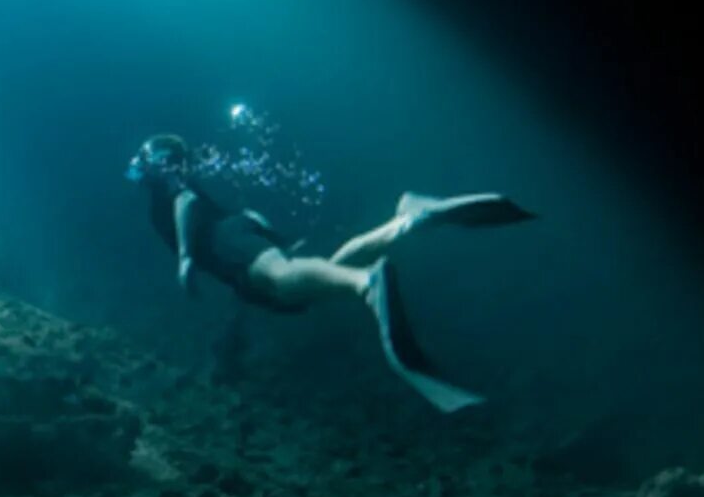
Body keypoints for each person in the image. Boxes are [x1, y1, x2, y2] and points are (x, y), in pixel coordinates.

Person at [125, 133, 534, 412]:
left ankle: (366, 284)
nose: (137, 165)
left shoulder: (172, 189)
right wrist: (267, 234)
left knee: (288, 280)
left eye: (144, 159)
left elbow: (186, 204)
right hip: (237, 237)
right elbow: (245, 213)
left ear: (161, 164)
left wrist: (184, 258)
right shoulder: (182, 185)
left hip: (225, 245)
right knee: (313, 278)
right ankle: (408, 218)